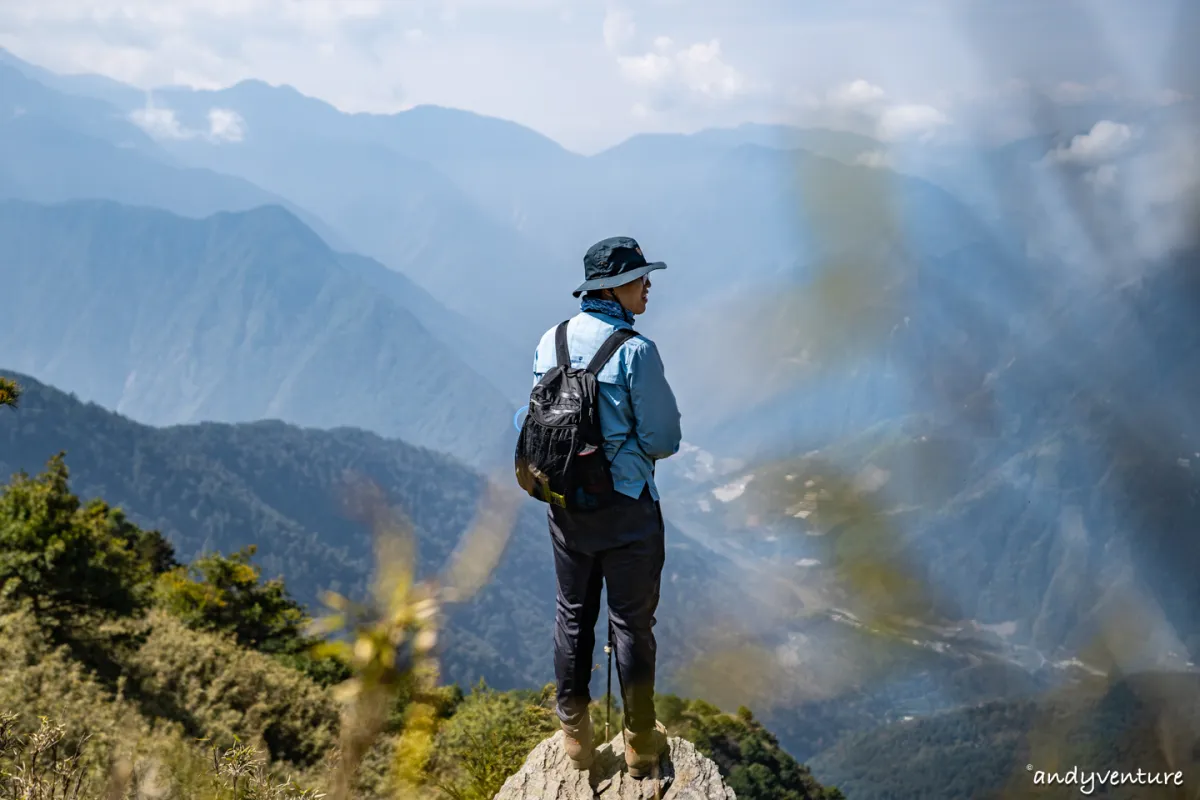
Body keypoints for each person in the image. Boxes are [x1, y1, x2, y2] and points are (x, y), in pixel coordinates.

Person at [530, 236, 683, 778]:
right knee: (631, 624)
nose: (649, 285)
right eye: (641, 277)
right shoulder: (636, 351)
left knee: (573, 616)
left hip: (567, 506)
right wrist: (630, 452)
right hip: (627, 508)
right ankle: (640, 741)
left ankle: (575, 734)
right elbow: (665, 438)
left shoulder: (551, 340)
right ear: (613, 288)